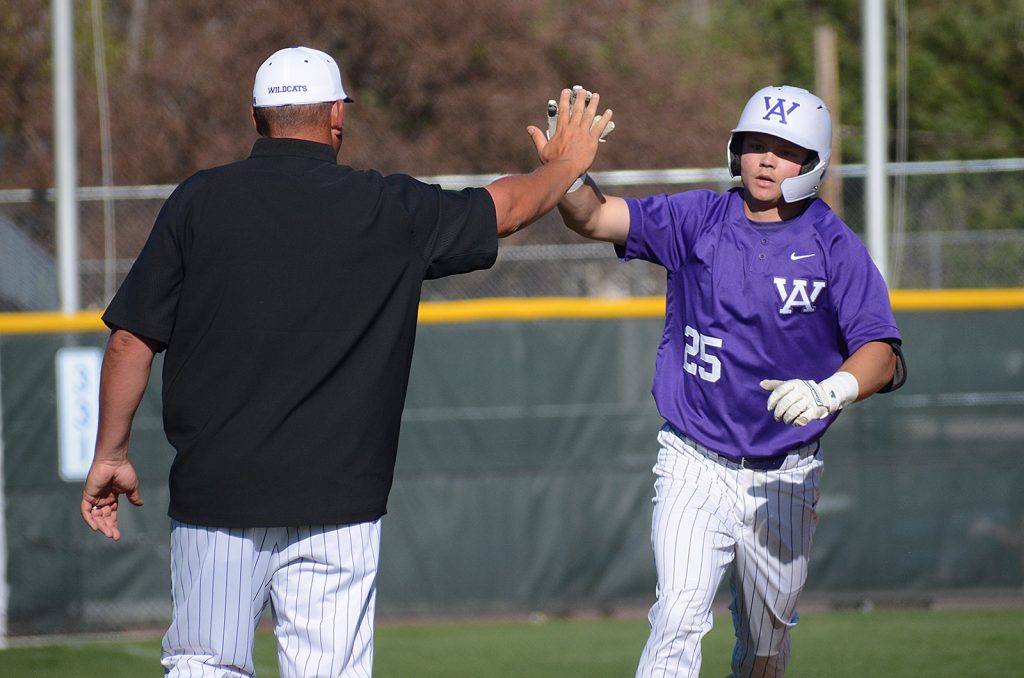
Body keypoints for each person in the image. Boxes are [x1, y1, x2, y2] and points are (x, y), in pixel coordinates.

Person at [79, 45, 612, 677]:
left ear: (256, 119)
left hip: (217, 496)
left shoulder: (198, 201)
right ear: (338, 117)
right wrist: (566, 166)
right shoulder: (387, 208)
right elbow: (509, 207)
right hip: (340, 502)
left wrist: (110, 454)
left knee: (202, 665)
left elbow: (129, 340)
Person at [540, 85, 906, 676]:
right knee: (677, 618)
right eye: (757, 145)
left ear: (812, 164)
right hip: (693, 459)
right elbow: (595, 217)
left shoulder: (834, 245)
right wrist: (566, 171)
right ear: (736, 150)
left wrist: (827, 391)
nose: (767, 160)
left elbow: (881, 351)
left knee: (764, 647)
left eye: (785, 150)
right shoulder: (698, 217)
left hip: (784, 472)